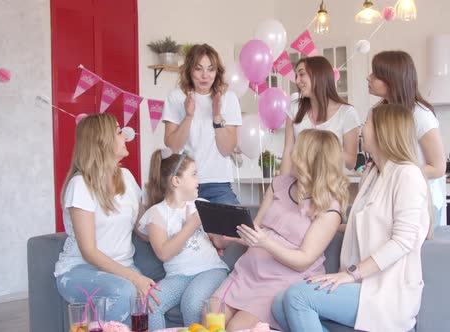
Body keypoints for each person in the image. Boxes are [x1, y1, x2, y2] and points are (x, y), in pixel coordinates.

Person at [272, 104, 432, 332]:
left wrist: (351, 273)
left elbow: (402, 241)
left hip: (386, 290)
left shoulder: (407, 174)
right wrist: (324, 224)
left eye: (366, 123)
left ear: (382, 131)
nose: (360, 129)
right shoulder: (372, 173)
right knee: (279, 304)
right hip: (360, 283)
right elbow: (368, 226)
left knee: (297, 298)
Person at [209, 129, 350, 331]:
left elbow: (303, 260)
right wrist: (234, 234)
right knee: (211, 320)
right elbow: (256, 227)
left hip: (283, 280)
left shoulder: (329, 208)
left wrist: (265, 242)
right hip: (248, 271)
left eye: (297, 150)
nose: (291, 154)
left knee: (236, 329)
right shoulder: (280, 184)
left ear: (311, 160)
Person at [54, 113, 160, 325]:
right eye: (119, 132)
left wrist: (179, 224)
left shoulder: (127, 177)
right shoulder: (80, 185)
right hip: (80, 271)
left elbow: (142, 229)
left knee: (156, 304)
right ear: (103, 141)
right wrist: (134, 278)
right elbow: (89, 252)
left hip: (124, 269)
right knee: (123, 291)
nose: (126, 136)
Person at [137, 148, 229, 329]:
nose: (198, 180)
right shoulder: (156, 213)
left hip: (210, 270)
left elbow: (218, 241)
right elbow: (164, 253)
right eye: (194, 174)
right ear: (176, 181)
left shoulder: (201, 205)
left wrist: (226, 235)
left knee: (192, 303)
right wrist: (190, 226)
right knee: (151, 304)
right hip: (178, 276)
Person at [367, 50, 446, 226]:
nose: (368, 77)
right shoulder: (375, 112)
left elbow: (438, 168)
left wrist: (397, 174)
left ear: (391, 80)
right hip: (391, 201)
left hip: (420, 204)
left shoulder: (421, 115)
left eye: (375, 74)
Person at [163, 43, 242, 205]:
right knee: (186, 229)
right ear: (189, 70)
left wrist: (217, 116)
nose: (205, 75)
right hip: (185, 183)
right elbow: (173, 148)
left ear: (217, 72)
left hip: (218, 184)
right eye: (199, 69)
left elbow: (227, 149)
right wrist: (188, 116)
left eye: (210, 69)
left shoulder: (228, 98)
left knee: (238, 228)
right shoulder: (176, 97)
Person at [280, 56, 360, 174]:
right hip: (299, 186)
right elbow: (288, 152)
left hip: (330, 187)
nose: (297, 81)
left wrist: (321, 149)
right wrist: (281, 188)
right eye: (296, 76)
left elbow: (351, 162)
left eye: (301, 74)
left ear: (318, 76)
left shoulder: (347, 113)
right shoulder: (294, 109)